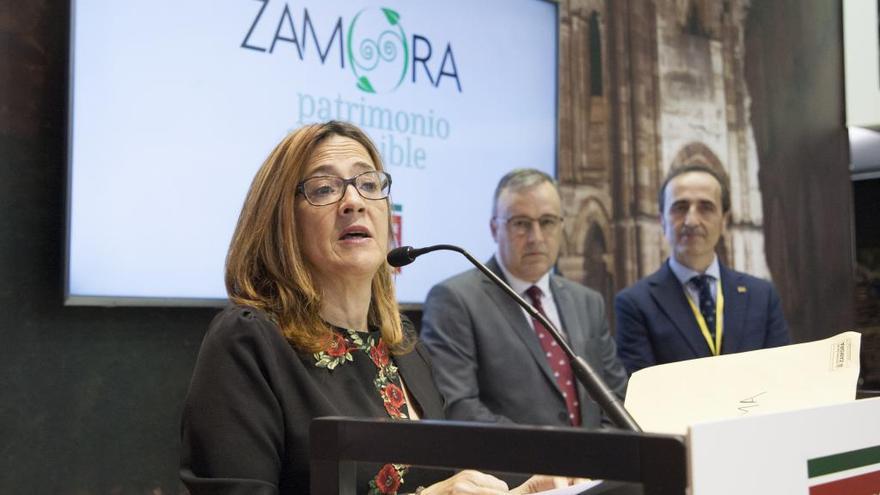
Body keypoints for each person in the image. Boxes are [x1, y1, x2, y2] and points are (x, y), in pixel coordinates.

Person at [179, 122, 577, 495]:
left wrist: (521, 492)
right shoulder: (249, 341)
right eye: (323, 189)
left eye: (369, 184)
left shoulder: (403, 347)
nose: (354, 201)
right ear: (282, 221)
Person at [420, 168, 628, 428]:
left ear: (562, 226)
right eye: (521, 223)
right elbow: (459, 407)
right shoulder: (454, 300)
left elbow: (618, 399)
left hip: (595, 467)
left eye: (548, 222)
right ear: (495, 229)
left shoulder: (587, 302)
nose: (536, 237)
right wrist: (549, 464)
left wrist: (594, 462)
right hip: (515, 467)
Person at [614, 163, 790, 375]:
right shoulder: (635, 304)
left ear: (724, 220)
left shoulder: (762, 296)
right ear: (662, 220)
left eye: (706, 207)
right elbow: (644, 394)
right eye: (680, 208)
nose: (691, 220)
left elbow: (781, 376)